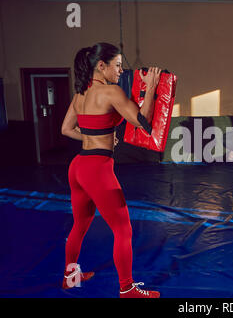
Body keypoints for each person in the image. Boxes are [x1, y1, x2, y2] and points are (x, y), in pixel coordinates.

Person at [61, 42, 162, 298]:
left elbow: (66, 129)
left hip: (78, 166)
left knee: (80, 224)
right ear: (101, 66)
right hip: (97, 168)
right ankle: (127, 289)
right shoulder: (111, 92)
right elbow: (144, 123)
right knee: (123, 230)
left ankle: (70, 277)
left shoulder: (80, 94)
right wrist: (150, 88)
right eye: (117, 65)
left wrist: (94, 136)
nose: (120, 71)